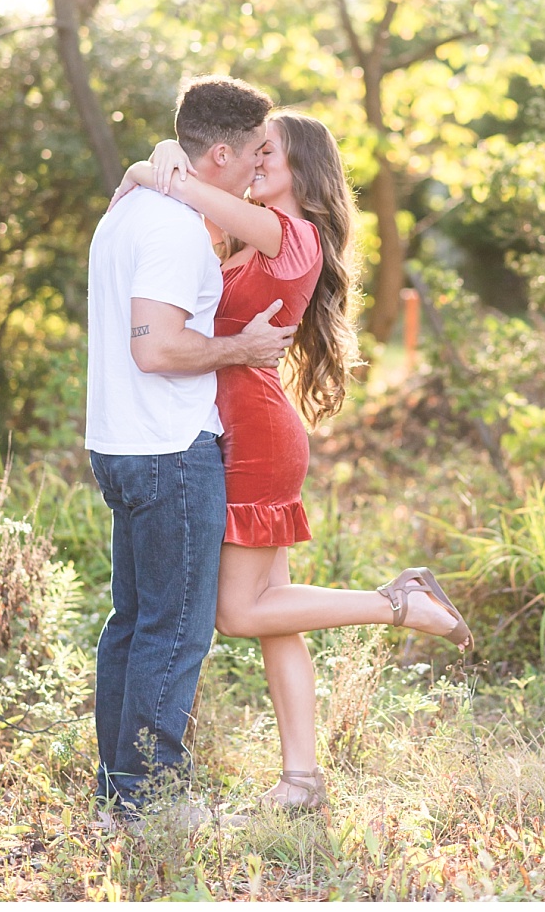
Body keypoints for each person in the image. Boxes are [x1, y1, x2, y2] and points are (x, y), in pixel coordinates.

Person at [111, 106, 473, 813]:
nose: (255, 159)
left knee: (238, 613)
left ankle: (397, 604)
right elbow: (177, 185)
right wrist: (155, 156)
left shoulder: (294, 237)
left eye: (267, 150)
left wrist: (157, 164)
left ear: (301, 168)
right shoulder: (244, 239)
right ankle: (302, 780)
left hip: (256, 438)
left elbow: (181, 183)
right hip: (236, 429)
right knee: (275, 614)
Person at [86, 76, 295, 824]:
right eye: (254, 154)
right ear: (219, 154)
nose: (259, 169)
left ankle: (120, 796)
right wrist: (244, 348)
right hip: (169, 449)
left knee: (133, 623)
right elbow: (157, 348)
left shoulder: (128, 210)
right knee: (174, 631)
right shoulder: (174, 230)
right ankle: (150, 803)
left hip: (122, 443)